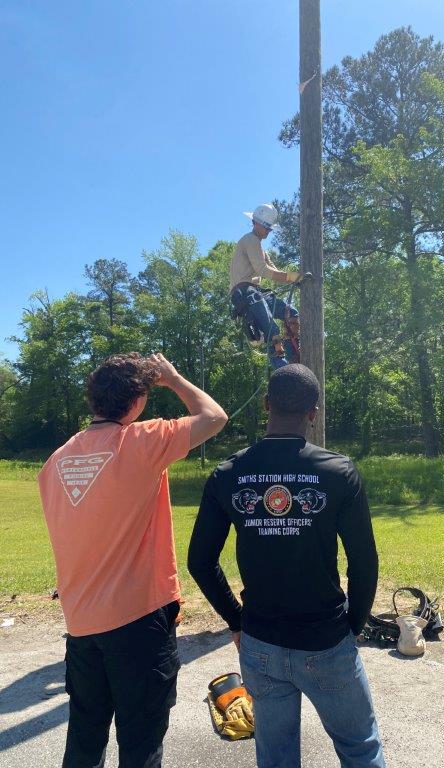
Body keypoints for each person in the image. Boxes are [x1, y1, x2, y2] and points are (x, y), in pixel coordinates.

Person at [188, 363, 386, 768]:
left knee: (276, 757)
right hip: (325, 639)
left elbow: (200, 562)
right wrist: (351, 627)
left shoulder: (230, 472)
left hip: (260, 642)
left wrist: (237, 620)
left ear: (266, 405)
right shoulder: (337, 472)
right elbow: (364, 563)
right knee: (360, 747)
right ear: (314, 413)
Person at [38, 352, 228, 767]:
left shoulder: (54, 463)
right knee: (141, 742)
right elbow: (214, 416)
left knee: (85, 740)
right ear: (138, 400)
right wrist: (174, 379)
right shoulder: (142, 440)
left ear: (93, 400)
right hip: (139, 621)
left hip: (81, 626)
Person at [230, 202, 301, 367]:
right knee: (273, 332)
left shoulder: (260, 249)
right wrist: (292, 277)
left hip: (256, 292)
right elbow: (263, 271)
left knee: (291, 313)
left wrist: (295, 278)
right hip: (245, 293)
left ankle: (296, 356)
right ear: (256, 223)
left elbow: (273, 271)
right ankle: (286, 372)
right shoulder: (250, 240)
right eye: (267, 227)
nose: (269, 231)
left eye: (270, 228)